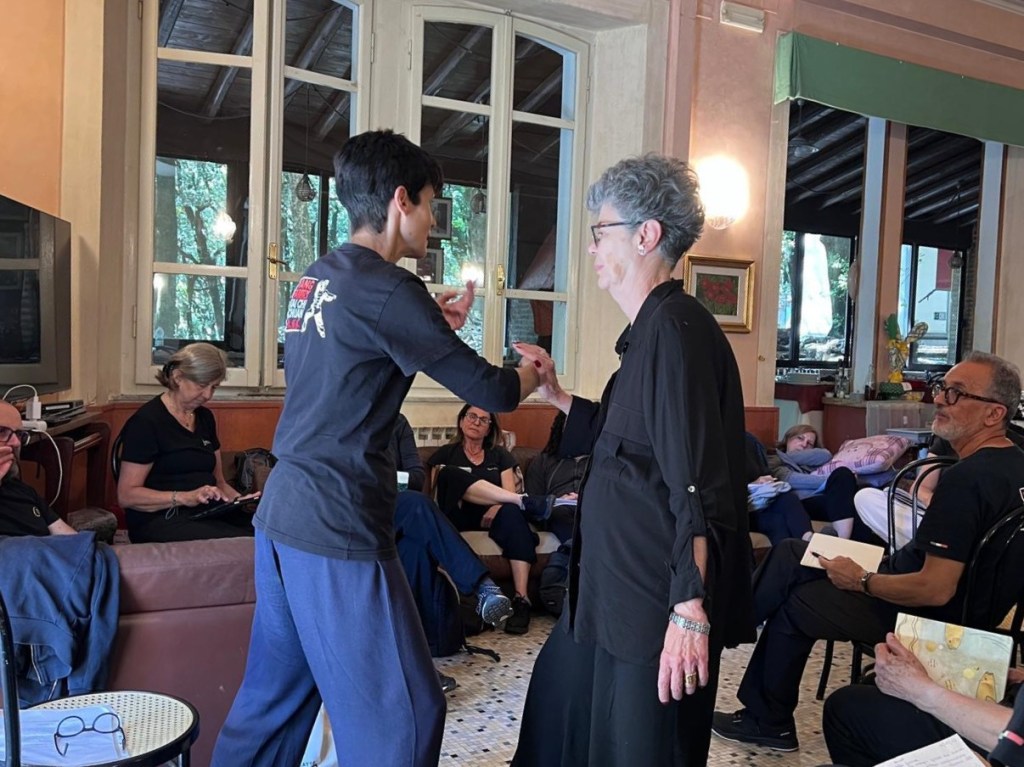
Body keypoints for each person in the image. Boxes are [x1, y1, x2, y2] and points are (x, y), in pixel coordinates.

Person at [212, 129, 544, 767]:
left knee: (273, 706)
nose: (433, 221)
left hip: (282, 516)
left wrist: (427, 324)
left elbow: (357, 355)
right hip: (336, 521)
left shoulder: (318, 277)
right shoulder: (393, 290)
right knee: (409, 714)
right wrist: (536, 373)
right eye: (431, 204)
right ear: (401, 200)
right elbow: (495, 390)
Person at [511, 153, 755, 767]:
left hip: (650, 600)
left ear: (646, 235)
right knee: (558, 725)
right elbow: (632, 442)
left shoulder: (675, 330)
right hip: (604, 592)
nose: (593, 246)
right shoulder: (653, 331)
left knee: (638, 749)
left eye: (602, 230)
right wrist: (558, 396)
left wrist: (690, 610)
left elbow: (695, 483)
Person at [712, 352, 1024, 753]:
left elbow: (936, 590)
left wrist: (861, 580)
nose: (939, 400)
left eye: (957, 393)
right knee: (792, 553)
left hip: (929, 619)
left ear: (994, 413)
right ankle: (733, 639)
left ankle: (749, 690)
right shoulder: (1014, 465)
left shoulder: (967, 480)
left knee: (796, 599)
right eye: (942, 388)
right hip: (956, 603)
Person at [389, 412, 514, 690]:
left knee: (415, 549)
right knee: (417, 505)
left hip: (394, 510)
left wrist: (387, 478)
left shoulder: (397, 423)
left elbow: (417, 475)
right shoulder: (345, 418)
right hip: (357, 513)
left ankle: (417, 661)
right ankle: (483, 587)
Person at [427, 403, 555, 635]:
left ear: (489, 428)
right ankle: (523, 501)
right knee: (451, 473)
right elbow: (436, 493)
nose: (476, 422)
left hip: (492, 515)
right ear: (461, 421)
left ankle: (521, 599)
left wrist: (498, 507)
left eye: (483, 420)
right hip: (457, 514)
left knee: (513, 514)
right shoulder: (446, 454)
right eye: (471, 416)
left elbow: (508, 493)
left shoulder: (500, 455)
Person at [116, 342, 256, 543]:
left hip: (206, 511)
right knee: (245, 542)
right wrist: (185, 497)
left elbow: (219, 483)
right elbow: (127, 496)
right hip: (163, 517)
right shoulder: (146, 422)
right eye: (201, 385)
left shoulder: (205, 418)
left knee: (267, 530)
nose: (207, 395)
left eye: (214, 387)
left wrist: (241, 502)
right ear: (178, 377)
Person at [823, 632, 1024, 766]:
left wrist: (922, 690)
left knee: (846, 708)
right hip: (1012, 714)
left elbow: (1016, 738)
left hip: (1007, 742)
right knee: (857, 698)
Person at [766, 424, 859, 539]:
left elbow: (824, 455)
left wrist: (786, 456)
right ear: (788, 439)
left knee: (854, 495)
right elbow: (789, 478)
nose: (804, 444)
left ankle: (854, 546)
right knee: (842, 476)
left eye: (809, 443)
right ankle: (842, 540)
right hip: (801, 502)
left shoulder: (810, 464)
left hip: (824, 498)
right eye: (800, 438)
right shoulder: (774, 458)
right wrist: (832, 480)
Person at [0, 399, 77, 536]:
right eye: (1, 431)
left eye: (19, 434)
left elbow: (73, 541)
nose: (16, 443)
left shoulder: (22, 491)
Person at [524, 410, 588, 544]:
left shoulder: (601, 462)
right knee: (561, 512)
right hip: (558, 511)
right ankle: (574, 549)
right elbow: (532, 501)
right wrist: (557, 501)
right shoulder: (543, 461)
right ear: (562, 428)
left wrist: (586, 499)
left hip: (592, 508)